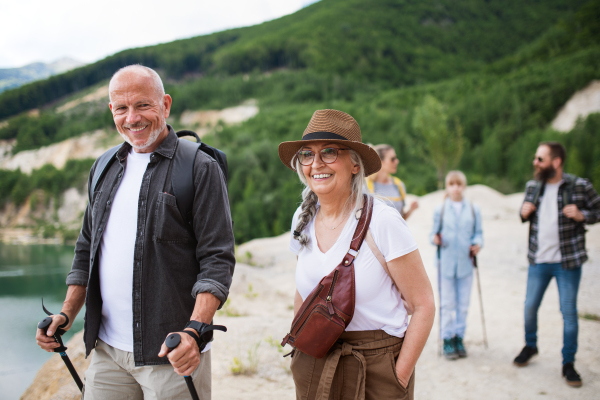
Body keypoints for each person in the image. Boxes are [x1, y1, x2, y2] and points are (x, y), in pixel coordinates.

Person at [35, 65, 235, 399]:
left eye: (143, 105)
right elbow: (86, 248)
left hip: (172, 351)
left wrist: (195, 330)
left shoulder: (200, 167)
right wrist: (67, 313)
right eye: (122, 108)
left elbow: (217, 258)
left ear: (165, 105)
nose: (132, 118)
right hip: (106, 351)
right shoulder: (103, 166)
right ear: (111, 110)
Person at [278, 109, 435, 399]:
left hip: (376, 368)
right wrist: (301, 353)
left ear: (354, 164)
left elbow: (423, 305)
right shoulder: (302, 217)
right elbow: (304, 293)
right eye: (307, 154)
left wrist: (398, 378)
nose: (316, 164)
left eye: (329, 152)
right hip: (315, 361)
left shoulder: (383, 221)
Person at [514, 141, 600, 387]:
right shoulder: (533, 186)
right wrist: (523, 212)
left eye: (540, 158)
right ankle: (531, 346)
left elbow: (598, 209)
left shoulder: (579, 186)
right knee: (529, 307)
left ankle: (568, 363)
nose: (535, 162)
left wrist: (583, 215)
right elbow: (523, 216)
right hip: (538, 260)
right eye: (535, 158)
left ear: (556, 162)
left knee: (569, 314)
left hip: (567, 262)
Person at [430, 171, 483, 360]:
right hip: (446, 263)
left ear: (464, 186)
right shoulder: (441, 209)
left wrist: (478, 244)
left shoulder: (474, 209)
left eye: (459, 184)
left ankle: (459, 337)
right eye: (452, 184)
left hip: (466, 264)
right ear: (447, 186)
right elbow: (432, 235)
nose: (456, 188)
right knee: (446, 303)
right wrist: (436, 239)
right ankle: (447, 339)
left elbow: (479, 234)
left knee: (463, 304)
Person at [366, 144, 419, 219]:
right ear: (380, 162)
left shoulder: (399, 185)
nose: (397, 161)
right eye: (392, 159)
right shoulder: (366, 186)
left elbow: (401, 218)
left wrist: (411, 209)